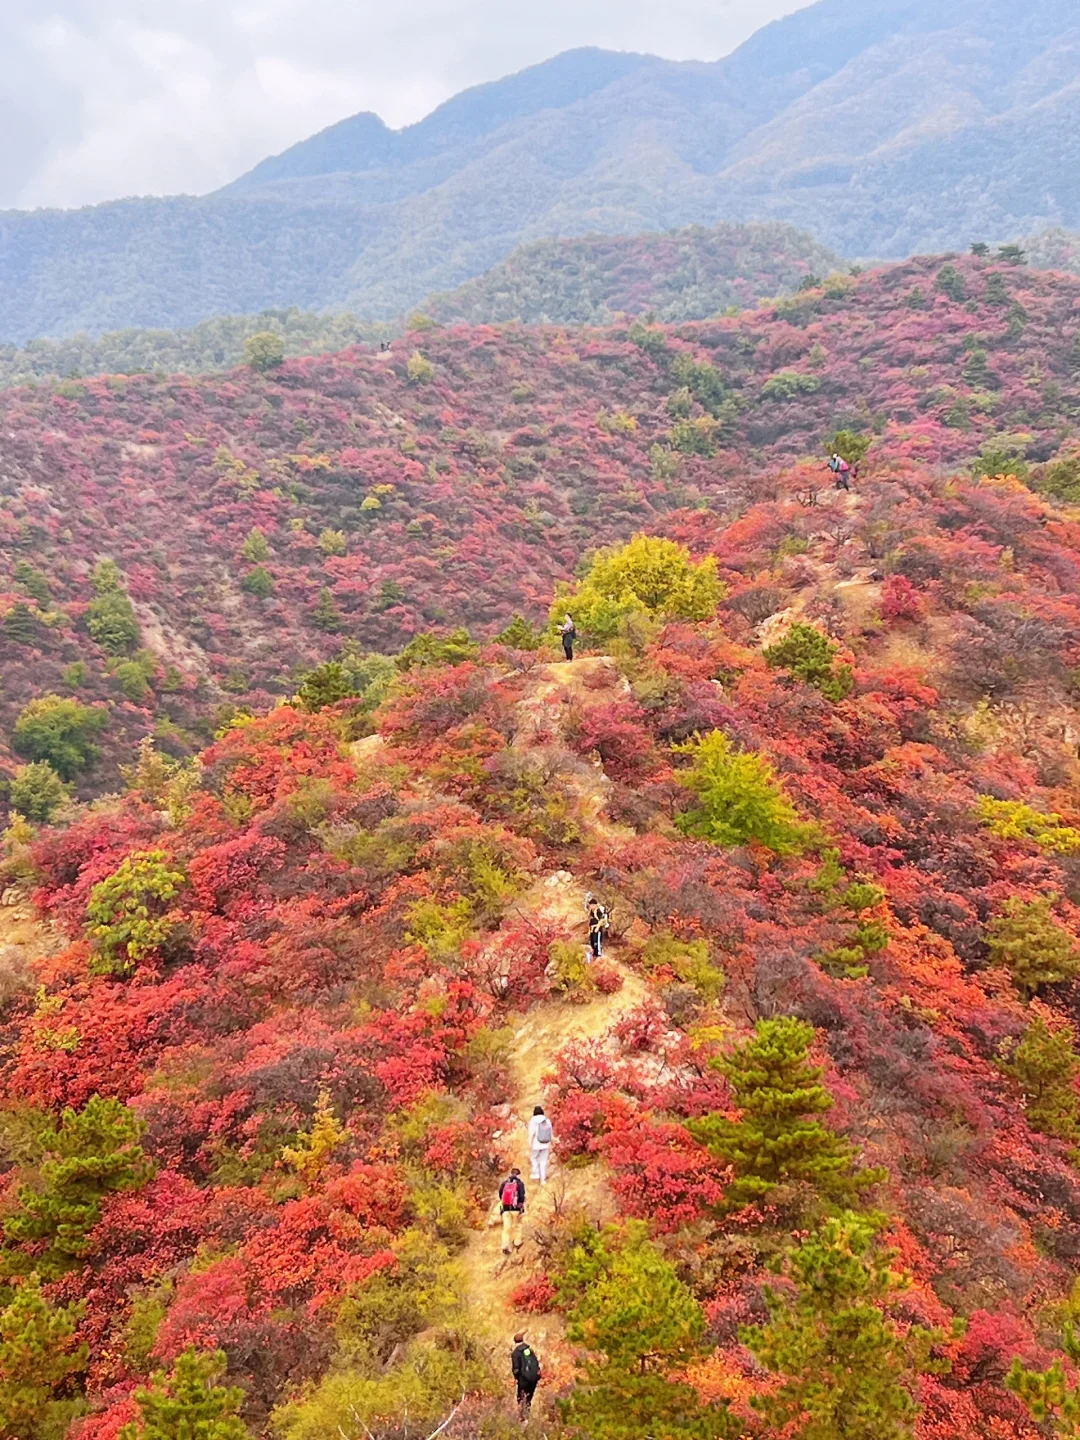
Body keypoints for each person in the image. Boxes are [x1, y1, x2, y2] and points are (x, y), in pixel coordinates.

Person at [511, 1332, 542, 1421]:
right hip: (534, 1378)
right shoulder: (528, 1350)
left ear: (514, 1341)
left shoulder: (516, 1353)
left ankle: (522, 1418)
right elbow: (535, 1362)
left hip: (524, 1379)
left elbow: (516, 1369)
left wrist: (517, 1377)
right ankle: (527, 1415)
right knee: (528, 1398)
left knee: (521, 1399)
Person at [499, 1166, 526, 1254]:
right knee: (518, 1225)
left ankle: (505, 1245)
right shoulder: (520, 1183)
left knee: (506, 1228)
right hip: (516, 1209)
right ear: (518, 1175)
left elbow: (500, 1194)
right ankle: (517, 1242)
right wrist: (520, 1205)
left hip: (506, 1209)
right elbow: (521, 1196)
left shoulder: (504, 1183)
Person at [528, 1105, 553, 1185]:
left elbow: (531, 1133)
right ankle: (543, 1180)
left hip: (536, 1144)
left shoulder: (533, 1121)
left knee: (533, 1158)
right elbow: (550, 1133)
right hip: (545, 1143)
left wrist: (529, 1143)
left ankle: (536, 1173)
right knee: (543, 1161)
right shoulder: (547, 1120)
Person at [586, 894, 610, 960]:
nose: (591, 906)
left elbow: (601, 919)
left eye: (593, 905)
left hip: (598, 929)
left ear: (596, 905)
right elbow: (590, 921)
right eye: (590, 905)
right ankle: (594, 954)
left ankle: (598, 955)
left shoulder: (598, 911)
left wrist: (597, 927)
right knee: (592, 941)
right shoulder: (591, 912)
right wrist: (589, 930)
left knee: (597, 941)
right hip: (592, 928)